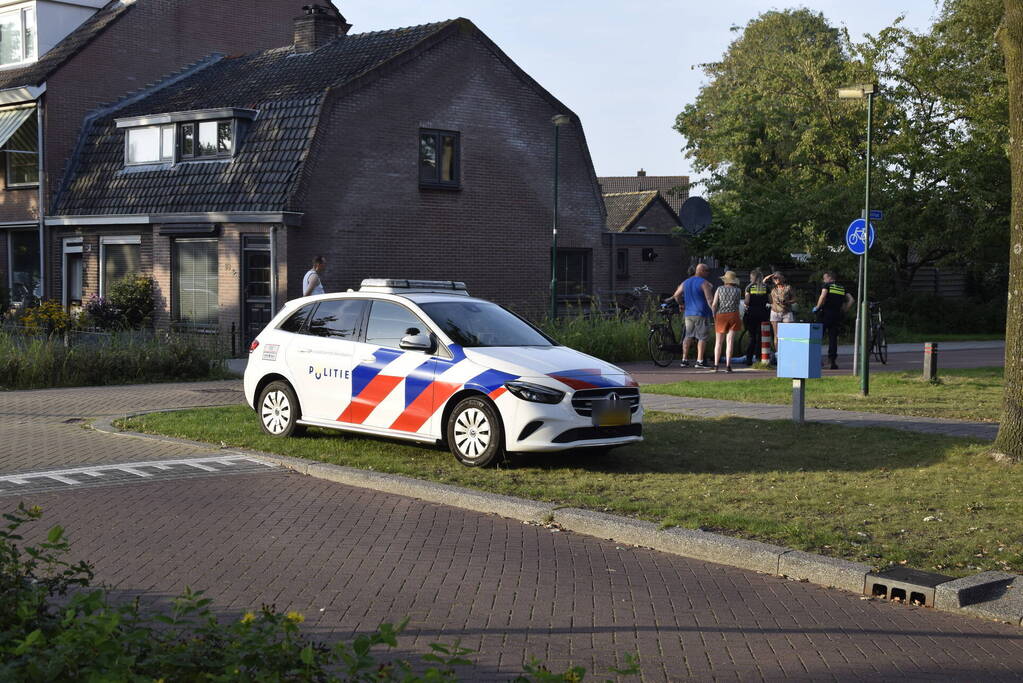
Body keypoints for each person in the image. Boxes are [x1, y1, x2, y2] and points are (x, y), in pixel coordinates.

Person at [670, 263, 715, 368]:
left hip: (688, 314)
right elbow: (710, 299)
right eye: (707, 271)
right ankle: (699, 361)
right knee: (702, 337)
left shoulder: (686, 282)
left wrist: (681, 304)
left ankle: (684, 360)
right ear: (701, 271)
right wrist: (714, 311)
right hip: (701, 313)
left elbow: (676, 295)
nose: (708, 273)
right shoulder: (704, 283)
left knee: (688, 336)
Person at [813, 271, 855, 369]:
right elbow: (851, 300)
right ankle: (832, 361)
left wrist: (817, 307)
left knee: (817, 337)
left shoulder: (827, 285)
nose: (823, 280)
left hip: (825, 314)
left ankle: (816, 360)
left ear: (829, 278)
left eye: (824, 278)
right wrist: (844, 310)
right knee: (833, 338)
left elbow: (823, 296)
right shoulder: (842, 287)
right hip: (836, 315)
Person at [711, 270, 742, 372]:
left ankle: (716, 365)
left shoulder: (719, 289)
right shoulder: (738, 291)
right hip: (733, 315)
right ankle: (728, 366)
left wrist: (714, 315)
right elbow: (738, 303)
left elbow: (714, 304)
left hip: (721, 316)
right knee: (730, 342)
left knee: (718, 342)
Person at [764, 271, 795, 362]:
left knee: (788, 334)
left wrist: (788, 302)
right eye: (775, 278)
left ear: (783, 278)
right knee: (777, 335)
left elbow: (795, 299)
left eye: (778, 278)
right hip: (775, 312)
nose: (776, 279)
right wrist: (771, 275)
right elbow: (763, 282)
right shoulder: (772, 288)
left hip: (786, 312)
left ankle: (787, 354)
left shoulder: (788, 288)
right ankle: (778, 355)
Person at [743, 269, 769, 365]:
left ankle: (749, 359)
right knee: (761, 337)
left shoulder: (749, 287)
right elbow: (770, 300)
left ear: (752, 277)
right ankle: (759, 358)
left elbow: (747, 302)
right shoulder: (766, 287)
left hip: (751, 313)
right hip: (762, 313)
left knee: (752, 337)